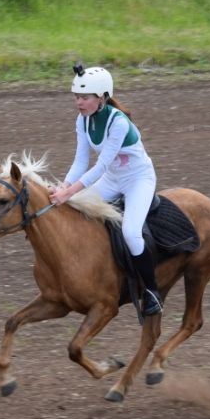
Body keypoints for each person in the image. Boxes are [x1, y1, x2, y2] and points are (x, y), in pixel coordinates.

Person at [49, 66, 163, 318]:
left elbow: (99, 165)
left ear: (101, 97)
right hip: (113, 179)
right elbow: (81, 161)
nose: (79, 102)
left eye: (85, 97)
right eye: (77, 97)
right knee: (76, 211)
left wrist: (69, 193)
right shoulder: (82, 120)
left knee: (132, 233)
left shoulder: (119, 122)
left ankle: (153, 292)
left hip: (138, 180)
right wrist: (64, 186)